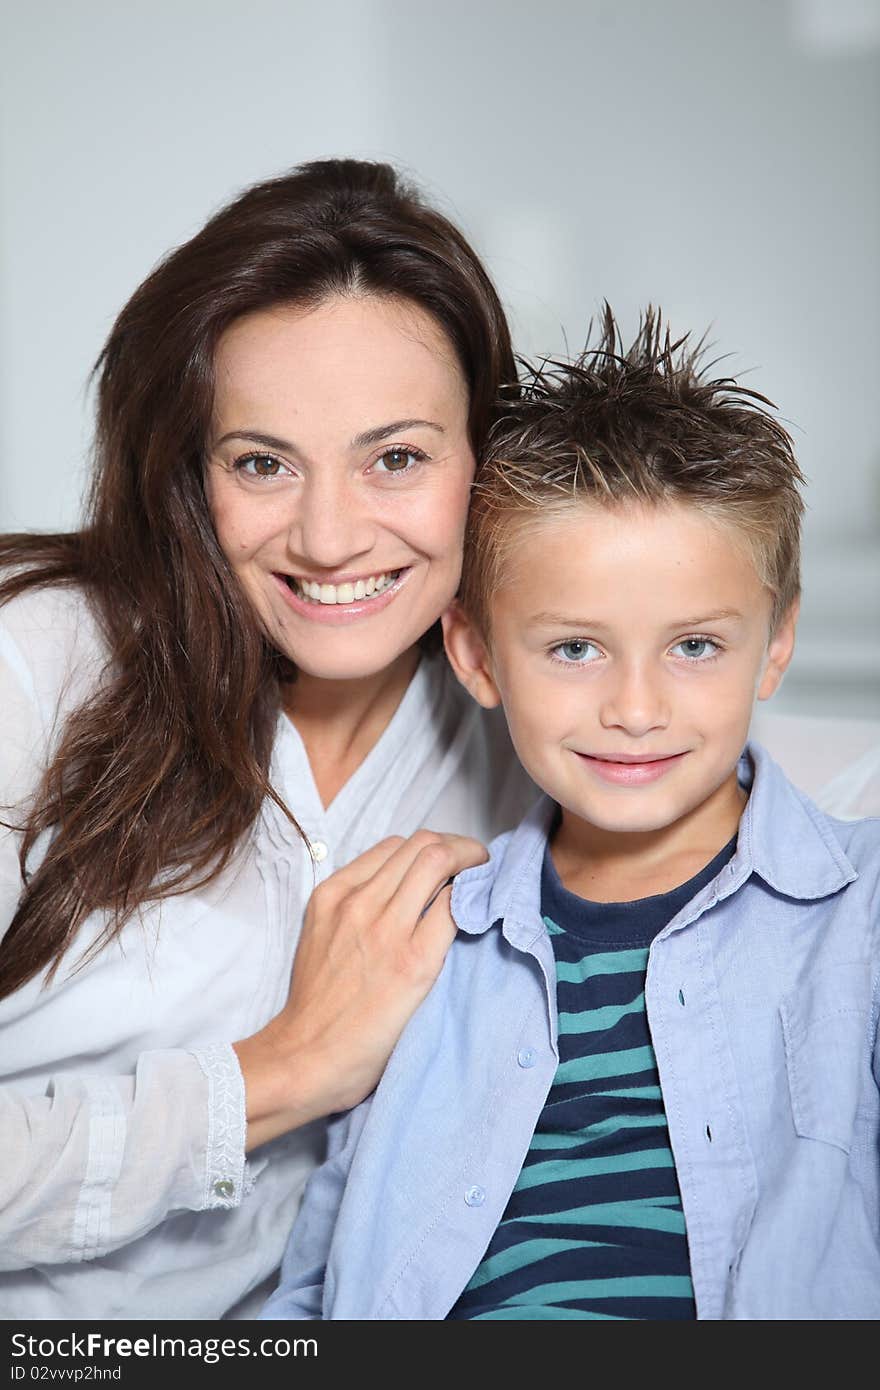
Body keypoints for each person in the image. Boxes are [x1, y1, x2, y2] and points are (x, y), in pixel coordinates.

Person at [0, 158, 540, 1319]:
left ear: (482, 464)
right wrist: (283, 1071)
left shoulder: (523, 727)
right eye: (262, 463)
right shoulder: (33, 663)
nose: (331, 535)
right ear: (191, 476)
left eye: (395, 456)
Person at [262, 311, 880, 1320]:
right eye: (573, 649)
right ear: (473, 656)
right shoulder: (426, 941)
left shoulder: (859, 915)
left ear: (776, 643)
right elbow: (316, 1285)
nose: (634, 709)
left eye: (693, 647)